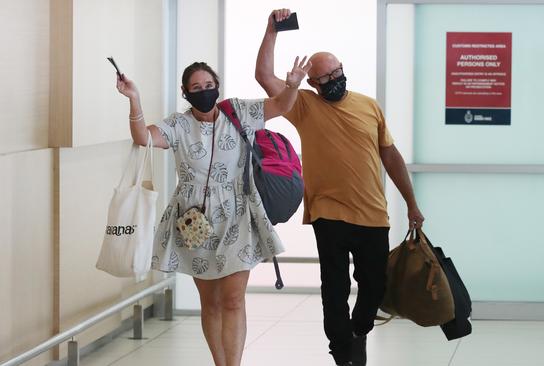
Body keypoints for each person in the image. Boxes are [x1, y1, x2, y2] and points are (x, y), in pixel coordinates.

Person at [255, 9, 425, 366]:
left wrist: (411, 202)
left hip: (373, 214)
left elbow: (391, 157)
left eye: (338, 73)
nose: (334, 80)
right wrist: (273, 31)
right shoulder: (302, 105)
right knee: (334, 288)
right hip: (328, 212)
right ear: (313, 84)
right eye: (325, 78)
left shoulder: (369, 106)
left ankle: (357, 331)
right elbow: (263, 76)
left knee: (374, 286)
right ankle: (342, 352)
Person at [116, 58, 311, 366]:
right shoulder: (178, 125)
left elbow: (281, 106)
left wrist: (293, 85)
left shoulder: (239, 112)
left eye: (209, 85)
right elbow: (143, 137)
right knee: (211, 303)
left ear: (217, 86)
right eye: (196, 87)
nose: (204, 91)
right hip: (194, 220)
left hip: (238, 215)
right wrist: (134, 100)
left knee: (233, 299)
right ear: (185, 92)